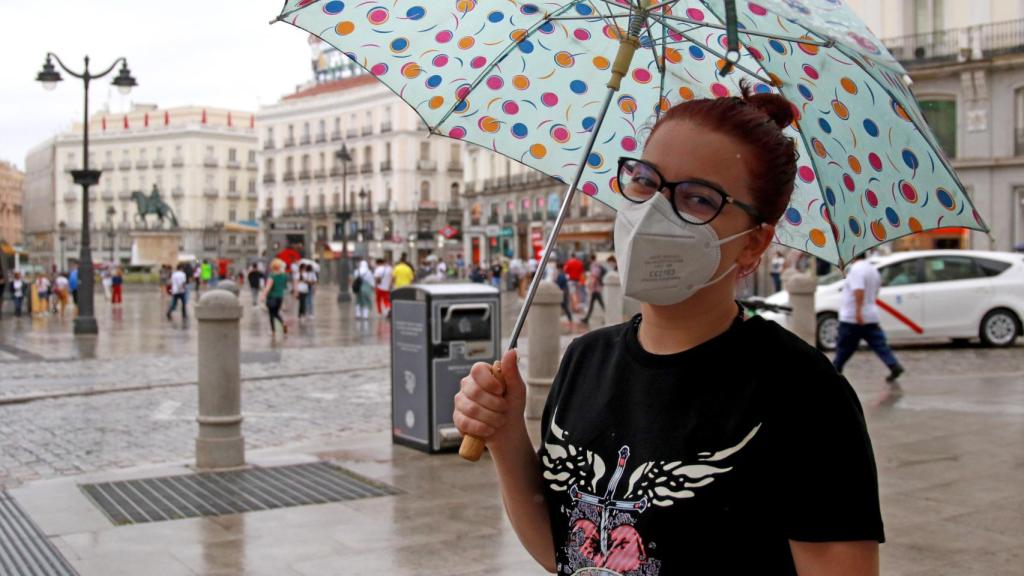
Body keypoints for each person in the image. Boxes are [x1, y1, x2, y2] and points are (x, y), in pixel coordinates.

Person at [454, 82, 884, 575]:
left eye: (699, 199)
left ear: (753, 244)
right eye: (644, 180)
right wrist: (506, 436)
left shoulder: (803, 392)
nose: (654, 210)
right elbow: (567, 554)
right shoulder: (585, 359)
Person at [833, 252, 906, 390]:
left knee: (844, 346)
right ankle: (893, 365)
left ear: (853, 257)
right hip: (870, 314)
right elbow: (876, 289)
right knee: (879, 344)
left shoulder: (856, 270)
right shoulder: (872, 269)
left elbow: (859, 291)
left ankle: (834, 370)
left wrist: (858, 312)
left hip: (853, 317)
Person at [260, 258, 288, 335]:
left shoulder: (272, 276)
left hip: (272, 297)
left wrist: (262, 296)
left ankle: (273, 331)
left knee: (271, 314)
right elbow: (285, 287)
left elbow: (268, 287)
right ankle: (283, 323)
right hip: (280, 297)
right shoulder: (283, 276)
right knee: (276, 313)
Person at [580, 254, 606, 324]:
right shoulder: (595, 265)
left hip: (596, 289)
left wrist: (591, 286)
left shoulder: (595, 266)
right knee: (595, 304)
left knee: (600, 304)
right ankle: (587, 318)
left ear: (591, 259)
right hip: (596, 289)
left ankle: (608, 317)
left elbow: (594, 277)